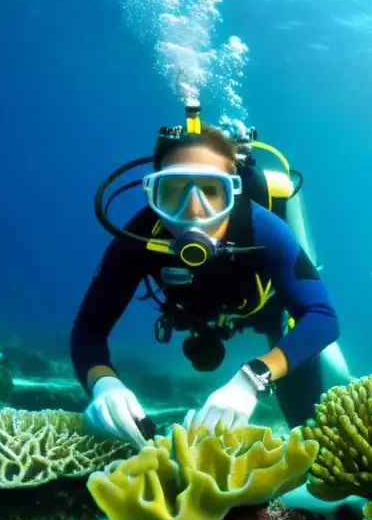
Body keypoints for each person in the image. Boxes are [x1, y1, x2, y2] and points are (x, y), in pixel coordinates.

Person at [71, 107, 350, 448]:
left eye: (210, 191)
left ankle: (338, 371)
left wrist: (251, 380)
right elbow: (89, 331)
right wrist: (103, 383)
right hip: (198, 316)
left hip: (267, 310)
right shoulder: (139, 237)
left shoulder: (262, 227)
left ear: (233, 192)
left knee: (308, 422)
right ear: (152, 193)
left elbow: (322, 318)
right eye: (173, 191)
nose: (194, 209)